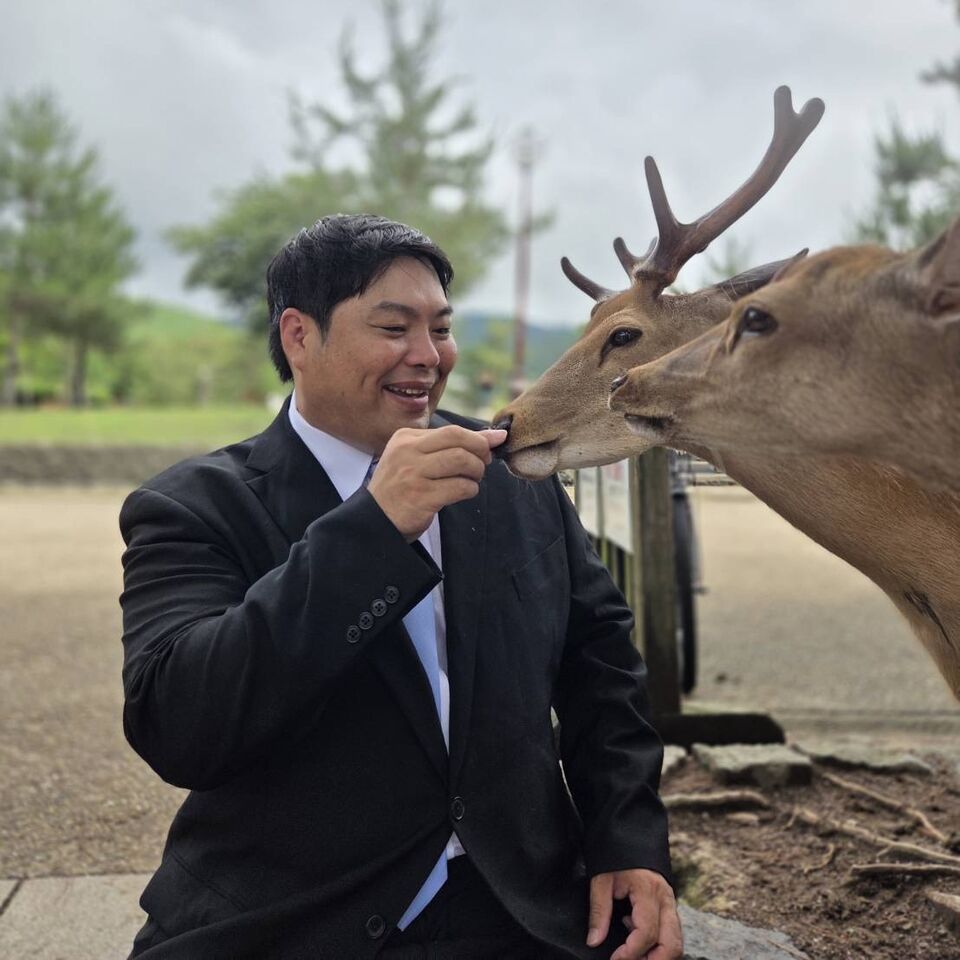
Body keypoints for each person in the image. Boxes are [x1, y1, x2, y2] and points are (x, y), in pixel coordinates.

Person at [119, 214, 681, 960]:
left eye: (440, 328)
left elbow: (599, 664)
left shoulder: (512, 477)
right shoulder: (194, 506)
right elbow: (180, 726)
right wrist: (374, 529)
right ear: (298, 337)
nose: (428, 356)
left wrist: (628, 840)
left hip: (521, 912)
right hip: (287, 920)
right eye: (393, 328)